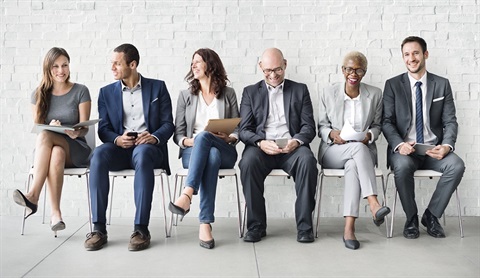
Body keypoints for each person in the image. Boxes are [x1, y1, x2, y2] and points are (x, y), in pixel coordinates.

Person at [84, 43, 174, 251]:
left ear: (132, 64)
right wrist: (117, 139)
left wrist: (154, 137)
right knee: (98, 154)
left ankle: (141, 229)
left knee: (142, 154)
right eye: (112, 63)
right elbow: (104, 129)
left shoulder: (157, 87)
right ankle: (98, 229)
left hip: (149, 149)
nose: (113, 68)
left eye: (117, 63)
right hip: (120, 149)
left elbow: (168, 124)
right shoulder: (106, 93)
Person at [382, 36, 465, 239]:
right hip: (405, 151)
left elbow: (450, 121)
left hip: (432, 149)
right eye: (407, 54)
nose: (412, 58)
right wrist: (399, 144)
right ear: (403, 58)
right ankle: (411, 218)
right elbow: (386, 122)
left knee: (456, 165)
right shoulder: (393, 85)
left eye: (416, 53)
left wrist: (447, 145)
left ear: (425, 54)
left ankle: (431, 216)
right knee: (401, 167)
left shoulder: (441, 84)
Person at [238, 48, 318, 243]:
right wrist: (260, 142)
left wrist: (296, 141)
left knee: (308, 162)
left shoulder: (300, 90)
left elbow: (309, 127)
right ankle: (256, 226)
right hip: (262, 147)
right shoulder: (250, 92)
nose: (273, 75)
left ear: (285, 64)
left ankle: (305, 227)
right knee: (247, 163)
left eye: (278, 70)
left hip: (292, 147)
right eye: (267, 71)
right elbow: (244, 129)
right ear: (260, 67)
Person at [12, 47, 92, 237]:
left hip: (77, 149)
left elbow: (85, 127)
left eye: (64, 65)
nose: (61, 70)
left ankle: (33, 196)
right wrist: (50, 125)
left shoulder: (81, 91)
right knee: (56, 152)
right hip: (52, 151)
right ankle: (56, 214)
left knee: (47, 137)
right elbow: (38, 128)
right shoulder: (38, 94)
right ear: (48, 69)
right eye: (55, 66)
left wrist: (76, 132)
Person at [317, 51, 390, 250]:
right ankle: (374, 203)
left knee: (353, 166)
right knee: (356, 150)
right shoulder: (327, 92)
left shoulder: (374, 94)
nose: (353, 73)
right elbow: (321, 126)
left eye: (359, 70)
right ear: (343, 70)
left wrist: (369, 136)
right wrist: (332, 134)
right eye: (349, 69)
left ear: (364, 72)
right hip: (333, 151)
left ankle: (349, 228)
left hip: (360, 153)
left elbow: (377, 125)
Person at [168, 48, 240, 249]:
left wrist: (230, 137)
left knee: (210, 143)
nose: (193, 65)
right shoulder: (186, 96)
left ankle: (187, 195)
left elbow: (239, 129)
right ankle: (205, 223)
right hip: (193, 152)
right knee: (210, 154)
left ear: (211, 64)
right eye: (192, 62)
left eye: (198, 61)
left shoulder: (228, 94)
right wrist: (193, 141)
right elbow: (179, 135)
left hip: (224, 147)